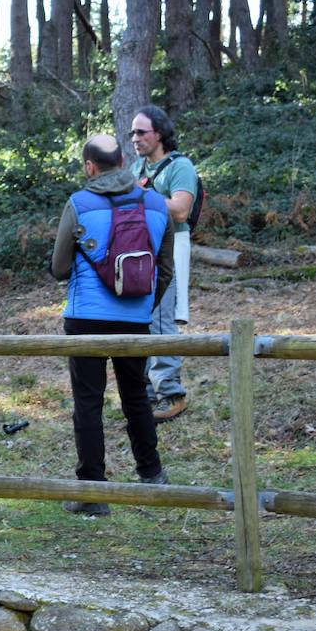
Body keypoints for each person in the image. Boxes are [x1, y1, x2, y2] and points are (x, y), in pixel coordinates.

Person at [50, 135, 173, 515]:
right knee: (136, 394)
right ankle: (152, 475)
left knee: (88, 401)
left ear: (90, 166)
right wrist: (142, 307)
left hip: (85, 318)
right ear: (122, 160)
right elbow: (165, 270)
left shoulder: (79, 203)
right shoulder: (156, 203)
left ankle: (93, 491)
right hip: (135, 319)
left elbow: (58, 268)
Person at [130, 105, 199, 422]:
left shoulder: (180, 166)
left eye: (141, 132)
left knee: (161, 319)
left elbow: (181, 210)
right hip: (139, 251)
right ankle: (145, 393)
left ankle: (170, 393)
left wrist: (143, 196)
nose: (135, 138)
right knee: (140, 319)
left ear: (159, 133)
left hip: (169, 251)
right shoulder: (136, 167)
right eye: (133, 132)